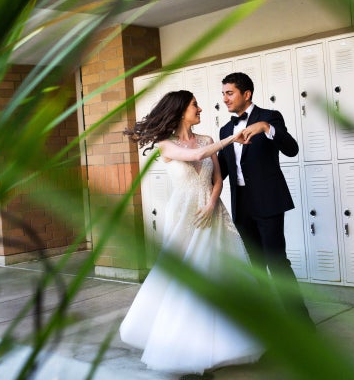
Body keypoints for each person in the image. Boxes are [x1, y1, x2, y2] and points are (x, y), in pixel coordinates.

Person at [119, 90, 264, 375]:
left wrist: (212, 202)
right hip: (185, 216)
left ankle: (225, 344)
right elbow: (196, 155)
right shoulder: (166, 145)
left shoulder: (208, 139)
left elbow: (219, 179)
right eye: (194, 105)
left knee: (220, 275)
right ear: (180, 110)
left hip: (212, 212)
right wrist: (232, 139)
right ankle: (182, 347)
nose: (199, 108)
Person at [217, 72, 314, 328]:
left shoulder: (270, 117)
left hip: (268, 202)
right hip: (241, 204)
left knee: (276, 262)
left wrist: (266, 129)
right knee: (253, 265)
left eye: (230, 93)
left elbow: (291, 149)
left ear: (246, 94)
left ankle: (300, 322)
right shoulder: (226, 129)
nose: (225, 98)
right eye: (223, 93)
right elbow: (224, 169)